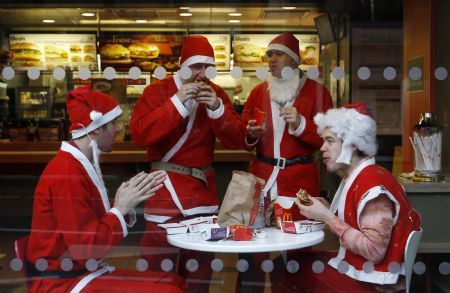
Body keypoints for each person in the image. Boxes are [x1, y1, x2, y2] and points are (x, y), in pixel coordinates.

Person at [26, 86, 185, 293]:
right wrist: (120, 208)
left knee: (174, 282)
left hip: (76, 271)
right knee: (170, 291)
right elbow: (86, 250)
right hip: (60, 283)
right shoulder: (66, 172)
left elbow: (85, 226)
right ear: (96, 128)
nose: (118, 129)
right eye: (113, 123)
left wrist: (121, 203)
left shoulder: (75, 165)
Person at [130, 35, 245, 291]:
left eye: (208, 67)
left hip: (201, 195)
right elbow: (140, 135)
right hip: (163, 194)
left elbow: (236, 140)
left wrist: (217, 108)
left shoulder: (218, 94)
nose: (202, 74)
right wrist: (177, 103)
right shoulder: (157, 91)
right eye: (195, 66)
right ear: (183, 65)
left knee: (200, 275)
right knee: (158, 272)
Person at [271, 102, 421, 292]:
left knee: (285, 267)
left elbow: (374, 251)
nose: (322, 148)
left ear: (353, 143)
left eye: (330, 141)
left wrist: (327, 217)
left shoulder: (372, 185)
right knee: (286, 262)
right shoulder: (362, 175)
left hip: (375, 284)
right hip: (364, 272)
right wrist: (325, 211)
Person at [240, 33, 333, 291]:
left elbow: (329, 141)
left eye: (278, 54)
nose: (271, 60)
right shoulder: (258, 92)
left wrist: (301, 124)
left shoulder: (317, 93)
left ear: (293, 60)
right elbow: (242, 133)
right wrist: (249, 134)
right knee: (252, 249)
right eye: (269, 55)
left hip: (298, 181)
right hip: (261, 180)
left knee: (296, 252)